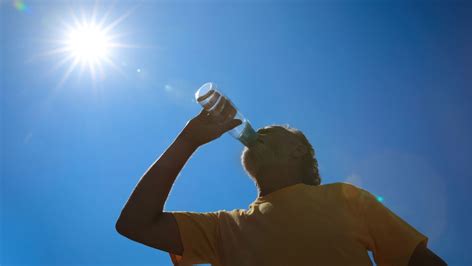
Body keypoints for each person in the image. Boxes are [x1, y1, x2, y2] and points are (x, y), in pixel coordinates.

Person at [115, 98, 446, 266]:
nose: (256, 134)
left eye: (268, 133)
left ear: (298, 150)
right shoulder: (226, 227)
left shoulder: (346, 198)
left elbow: (420, 262)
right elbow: (135, 224)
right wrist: (188, 139)